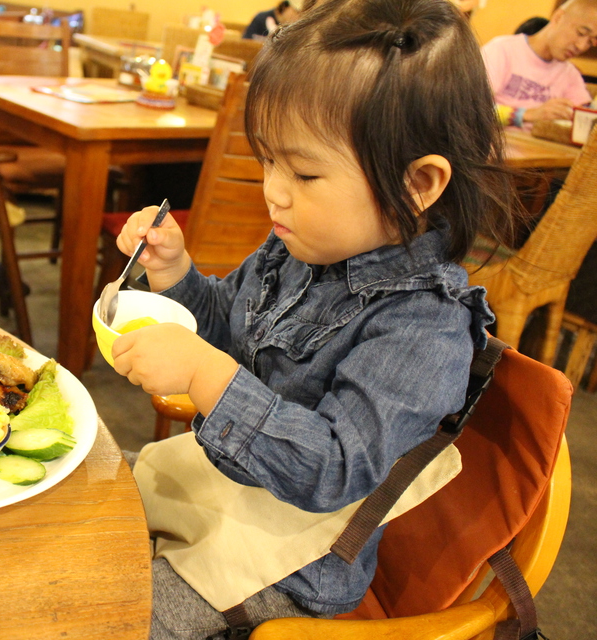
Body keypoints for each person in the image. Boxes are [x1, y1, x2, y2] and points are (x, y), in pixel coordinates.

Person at [109, 0, 516, 637]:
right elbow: (225, 324)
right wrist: (174, 272)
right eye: (268, 160)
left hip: (293, 564)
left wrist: (206, 373)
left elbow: (331, 469)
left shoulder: (423, 329)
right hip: (228, 491)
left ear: (418, 184)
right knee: (83, 505)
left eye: (302, 171)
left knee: (114, 615)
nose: (274, 188)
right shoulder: (301, 247)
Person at [481, 0, 597, 130]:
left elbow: (586, 118)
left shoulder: (570, 74)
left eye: (590, 42)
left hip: (536, 147)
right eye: (581, 33)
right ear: (558, 17)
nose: (581, 46)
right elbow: (469, 108)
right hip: (491, 143)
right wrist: (526, 114)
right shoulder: (502, 49)